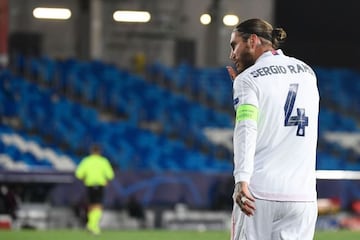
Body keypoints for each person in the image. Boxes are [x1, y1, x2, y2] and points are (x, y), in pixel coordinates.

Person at [226, 18, 319, 240]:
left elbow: (246, 129)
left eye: (234, 45)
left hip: (259, 194)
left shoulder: (247, 80)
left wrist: (242, 179)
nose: (232, 54)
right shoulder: (307, 72)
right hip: (302, 197)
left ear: (252, 40)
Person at [75, 144, 114, 234]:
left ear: (91, 151)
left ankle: (91, 225)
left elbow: (78, 174)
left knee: (91, 205)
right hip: (100, 185)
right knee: (98, 206)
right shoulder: (103, 161)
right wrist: (106, 181)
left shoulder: (86, 161)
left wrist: (84, 179)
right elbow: (110, 175)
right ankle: (93, 225)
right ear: (99, 152)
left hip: (89, 185)